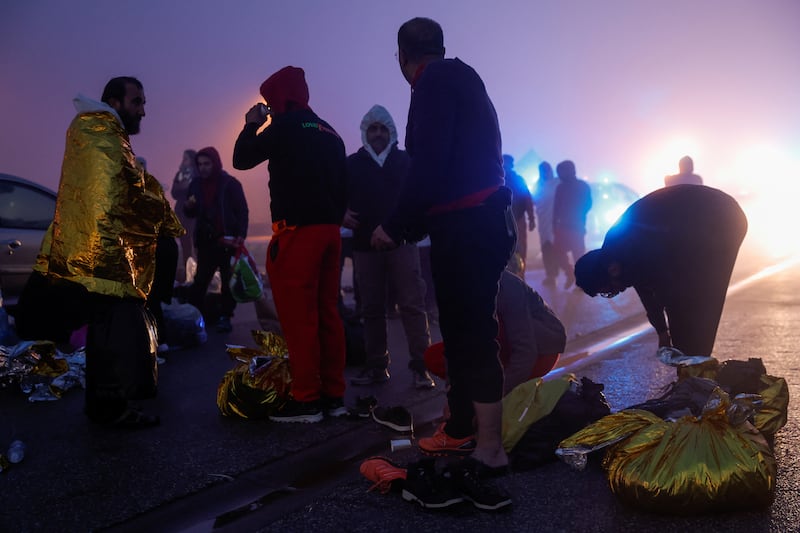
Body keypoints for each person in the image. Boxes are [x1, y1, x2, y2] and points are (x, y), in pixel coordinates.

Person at [370, 17, 515, 510]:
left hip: (468, 226)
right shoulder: (462, 75)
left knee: (472, 336)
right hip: (483, 220)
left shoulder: (431, 83)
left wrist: (395, 225)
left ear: (402, 57)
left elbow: (427, 166)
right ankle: (460, 428)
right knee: (462, 333)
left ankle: (490, 450)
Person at [26, 76, 184, 428]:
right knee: (113, 332)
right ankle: (111, 408)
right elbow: (118, 192)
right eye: (137, 102)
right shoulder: (100, 132)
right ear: (115, 101)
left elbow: (123, 184)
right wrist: (158, 209)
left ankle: (104, 407)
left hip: (97, 252)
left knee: (103, 331)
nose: (143, 110)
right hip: (102, 256)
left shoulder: (99, 132)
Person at [233, 66, 348, 424]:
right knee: (328, 315)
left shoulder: (282, 128)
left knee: (300, 319)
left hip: (297, 233)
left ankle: (306, 400)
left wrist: (253, 123)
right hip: (330, 232)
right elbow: (344, 188)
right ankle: (333, 396)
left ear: (278, 98)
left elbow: (241, 158)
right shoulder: (330, 132)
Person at [574, 185, 747, 357]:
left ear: (609, 272)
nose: (616, 291)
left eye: (608, 291)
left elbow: (668, 294)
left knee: (699, 301)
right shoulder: (618, 255)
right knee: (697, 303)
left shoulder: (629, 247)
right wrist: (663, 333)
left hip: (718, 218)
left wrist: (677, 342)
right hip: (717, 218)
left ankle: (695, 365)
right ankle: (696, 363)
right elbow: (647, 292)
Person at [344, 104, 434, 389]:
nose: (378, 133)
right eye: (373, 128)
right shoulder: (352, 164)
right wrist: (340, 213)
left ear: (391, 131)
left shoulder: (405, 161)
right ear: (365, 132)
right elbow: (334, 193)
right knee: (371, 308)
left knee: (411, 305)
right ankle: (376, 366)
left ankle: (422, 367)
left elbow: (421, 196)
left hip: (402, 242)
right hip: (365, 246)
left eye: (383, 128)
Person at [424, 267, 567, 400]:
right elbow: (454, 345)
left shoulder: (506, 286)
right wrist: (454, 394)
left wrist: (495, 395)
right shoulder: (455, 287)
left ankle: (504, 390)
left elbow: (526, 352)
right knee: (434, 356)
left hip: (541, 351)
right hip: (501, 346)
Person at [183, 146, 248, 334]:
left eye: (207, 164)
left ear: (215, 163)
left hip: (227, 240)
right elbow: (191, 212)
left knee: (228, 281)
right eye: (200, 164)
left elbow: (242, 211)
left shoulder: (230, 183)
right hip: (206, 241)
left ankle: (226, 316)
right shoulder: (195, 185)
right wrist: (188, 207)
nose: (203, 168)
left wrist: (241, 235)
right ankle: (195, 315)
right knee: (201, 280)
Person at [552, 160, 592, 289]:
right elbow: (556, 208)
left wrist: (578, 214)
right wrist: (554, 224)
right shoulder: (561, 187)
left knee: (578, 256)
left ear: (571, 170)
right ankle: (570, 273)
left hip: (576, 226)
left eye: (561, 172)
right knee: (558, 252)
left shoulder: (582, 186)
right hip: (564, 225)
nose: (559, 175)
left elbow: (588, 204)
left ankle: (581, 282)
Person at [502, 154, 535, 270]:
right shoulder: (499, 178)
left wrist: (531, 219)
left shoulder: (514, 180)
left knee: (519, 247)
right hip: (504, 219)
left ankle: (519, 274)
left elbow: (527, 199)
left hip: (514, 219)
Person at [171, 149, 198, 282]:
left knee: (197, 243)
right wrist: (184, 186)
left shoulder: (198, 173)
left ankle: (200, 274)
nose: (183, 161)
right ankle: (188, 276)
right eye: (183, 158)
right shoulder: (180, 174)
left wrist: (185, 187)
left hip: (195, 213)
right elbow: (174, 192)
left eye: (186, 158)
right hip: (181, 212)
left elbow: (196, 190)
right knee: (185, 243)